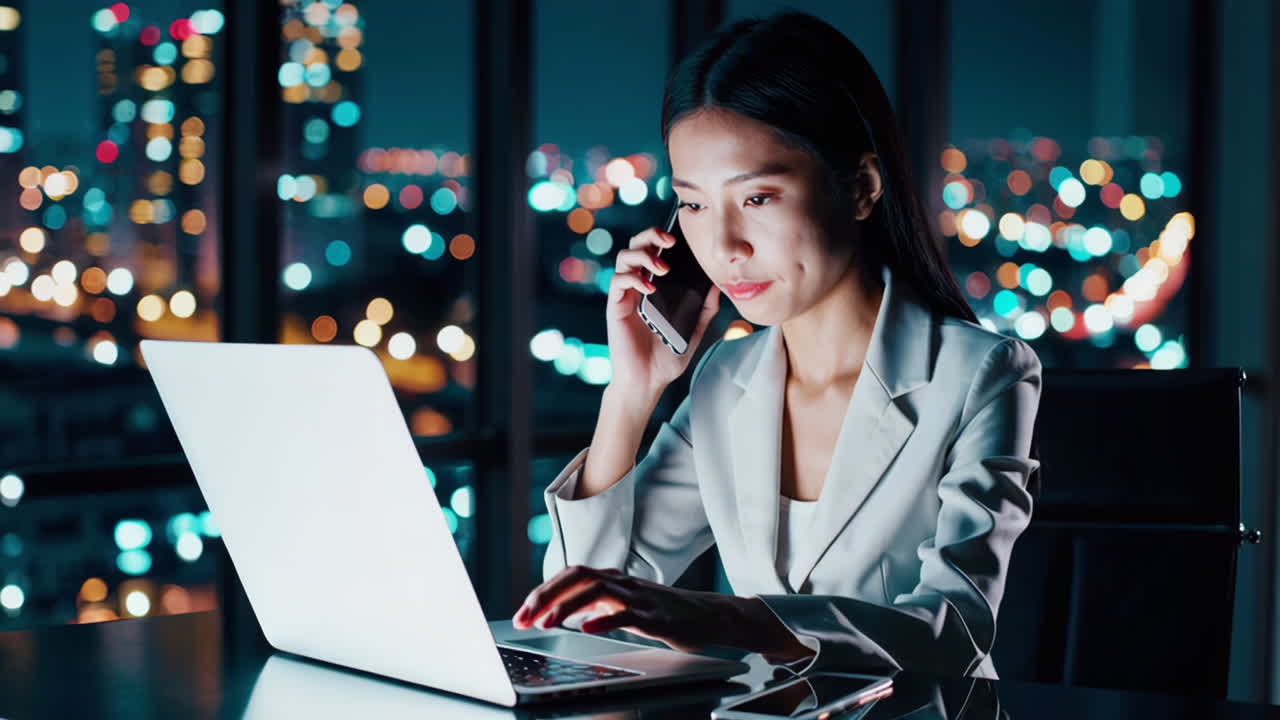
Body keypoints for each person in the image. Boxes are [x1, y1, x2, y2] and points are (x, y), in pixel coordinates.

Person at [512, 10, 1043, 680]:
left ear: (860, 188)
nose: (726, 248)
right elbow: (577, 598)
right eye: (696, 206)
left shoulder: (981, 374)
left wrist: (728, 619)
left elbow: (953, 632)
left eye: (758, 198)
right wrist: (632, 391)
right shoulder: (725, 381)